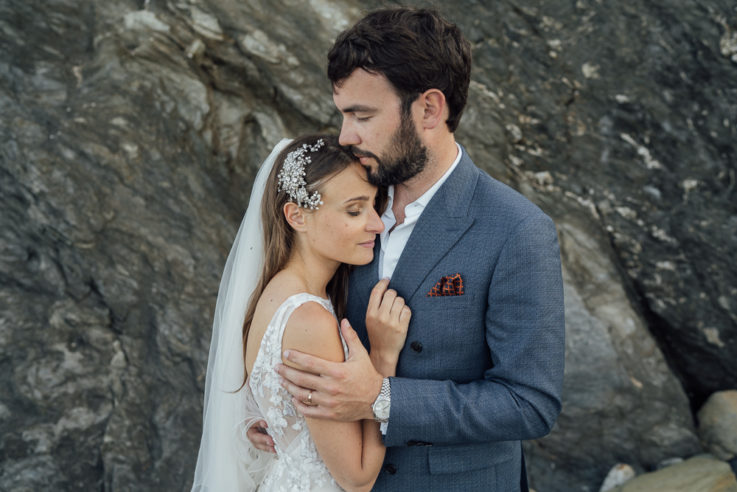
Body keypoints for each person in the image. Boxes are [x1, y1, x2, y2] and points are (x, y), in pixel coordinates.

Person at [259, 8, 566, 491]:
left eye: (363, 115)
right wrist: (292, 424)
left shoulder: (516, 229)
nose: (345, 136)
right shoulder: (344, 206)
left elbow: (530, 403)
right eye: (343, 114)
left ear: (428, 109)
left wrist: (383, 398)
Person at [192, 135, 413, 491]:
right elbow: (357, 478)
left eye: (375, 207)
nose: (378, 224)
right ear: (297, 216)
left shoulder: (271, 294)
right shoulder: (310, 321)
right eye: (355, 210)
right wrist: (383, 357)